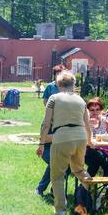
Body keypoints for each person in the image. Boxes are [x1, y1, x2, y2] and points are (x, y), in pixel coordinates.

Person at [38, 70, 92, 215]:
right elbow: (88, 125)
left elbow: (45, 124)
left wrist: (41, 143)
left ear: (58, 84)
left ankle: (60, 210)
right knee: (80, 170)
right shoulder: (81, 100)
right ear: (74, 85)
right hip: (81, 137)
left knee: (57, 176)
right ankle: (89, 199)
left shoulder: (53, 98)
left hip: (61, 137)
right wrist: (90, 140)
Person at [35, 64, 66, 197]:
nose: (59, 75)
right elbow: (46, 102)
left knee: (61, 163)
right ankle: (45, 188)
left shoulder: (67, 88)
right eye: (57, 73)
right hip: (50, 134)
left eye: (61, 73)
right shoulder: (50, 87)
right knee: (55, 163)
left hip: (62, 125)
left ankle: (51, 189)